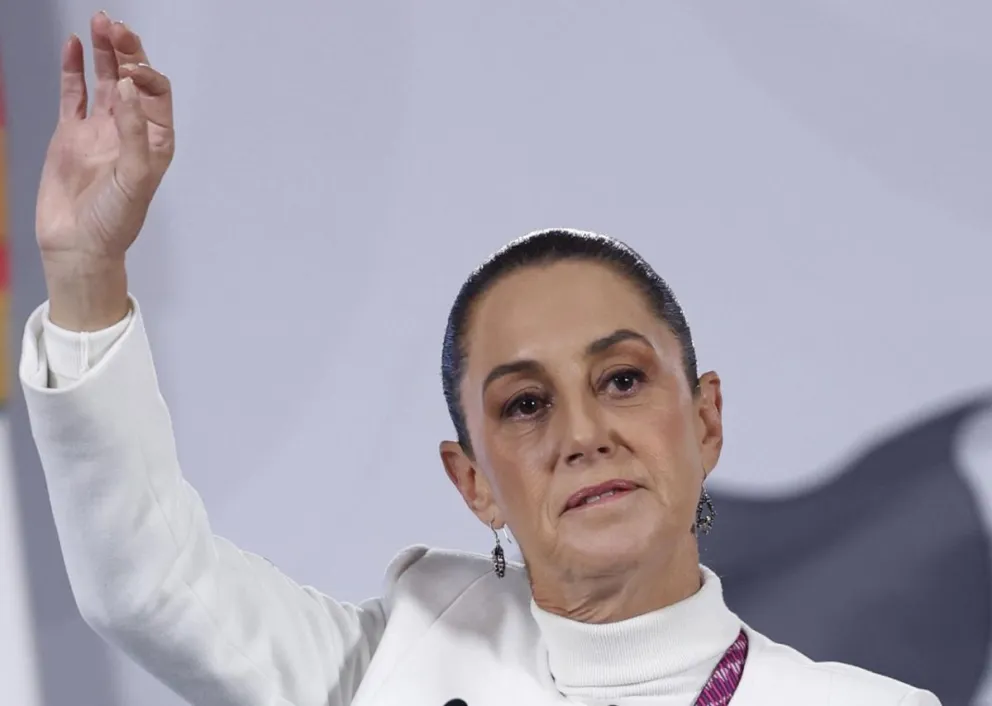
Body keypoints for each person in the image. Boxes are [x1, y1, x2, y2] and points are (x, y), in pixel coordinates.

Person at [20, 12, 941, 706]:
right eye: (525, 405)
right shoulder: (397, 665)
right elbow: (149, 586)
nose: (584, 435)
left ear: (705, 420)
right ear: (474, 485)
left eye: (621, 380)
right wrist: (85, 270)